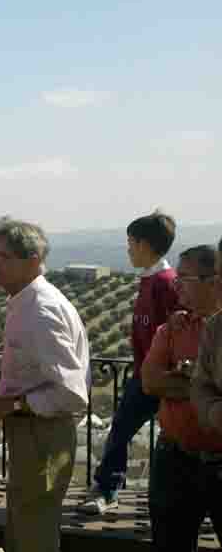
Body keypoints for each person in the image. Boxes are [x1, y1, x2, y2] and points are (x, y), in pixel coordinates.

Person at [0, 217, 89, 552]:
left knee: (34, 546)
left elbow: (71, 393)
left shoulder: (41, 310)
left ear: (33, 259)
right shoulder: (25, 303)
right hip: (34, 436)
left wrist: (11, 405)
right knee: (24, 539)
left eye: (2, 256)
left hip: (44, 437)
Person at [82, 210, 179, 514]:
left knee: (132, 433)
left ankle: (110, 490)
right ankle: (108, 489)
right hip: (144, 375)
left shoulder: (166, 283)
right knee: (121, 431)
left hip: (161, 378)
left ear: (144, 244)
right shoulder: (151, 280)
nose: (127, 249)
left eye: (130, 243)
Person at [144, 245, 222, 552]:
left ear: (212, 281)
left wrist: (182, 381)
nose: (176, 287)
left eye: (184, 279)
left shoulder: (215, 331)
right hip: (175, 458)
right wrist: (200, 386)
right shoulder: (172, 329)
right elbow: (149, 381)